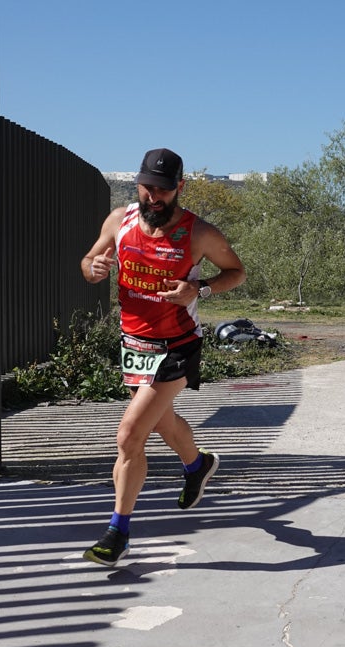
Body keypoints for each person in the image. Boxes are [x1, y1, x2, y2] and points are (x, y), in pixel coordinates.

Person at [79, 148, 246, 567]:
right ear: (137, 184)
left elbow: (236, 272)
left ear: (179, 189)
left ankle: (118, 533)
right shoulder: (120, 221)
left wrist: (200, 289)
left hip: (177, 345)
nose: (154, 197)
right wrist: (92, 269)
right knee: (160, 421)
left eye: (164, 190)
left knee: (130, 434)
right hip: (135, 342)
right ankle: (198, 464)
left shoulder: (198, 233)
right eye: (148, 188)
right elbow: (89, 260)